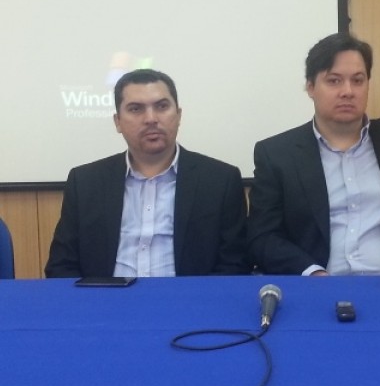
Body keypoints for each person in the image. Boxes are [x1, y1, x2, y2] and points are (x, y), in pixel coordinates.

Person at [247, 32, 380, 276]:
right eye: (334, 81)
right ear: (310, 87)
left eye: (358, 80)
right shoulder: (277, 154)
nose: (348, 91)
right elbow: (263, 235)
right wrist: (312, 273)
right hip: (319, 286)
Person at [45, 69, 250, 277]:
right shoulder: (85, 182)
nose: (151, 118)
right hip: (106, 295)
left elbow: (234, 266)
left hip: (186, 296)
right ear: (117, 122)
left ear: (179, 115)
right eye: (136, 109)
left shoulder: (220, 181)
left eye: (162, 107)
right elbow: (61, 267)